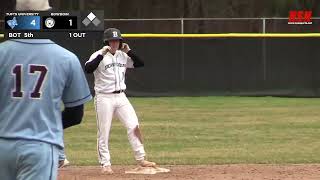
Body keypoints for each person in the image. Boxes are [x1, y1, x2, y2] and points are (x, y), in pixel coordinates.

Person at [0, 1, 92, 179]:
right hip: (40, 147)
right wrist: (47, 124)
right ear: (48, 16)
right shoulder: (67, 58)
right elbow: (75, 115)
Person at [85, 28, 156, 174]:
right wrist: (101, 54)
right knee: (104, 132)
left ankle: (141, 158)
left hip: (121, 97)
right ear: (106, 42)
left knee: (133, 125)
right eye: (112, 40)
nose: (114, 43)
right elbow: (88, 68)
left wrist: (129, 51)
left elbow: (140, 63)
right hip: (104, 97)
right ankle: (105, 164)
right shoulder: (98, 55)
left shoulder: (122, 56)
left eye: (117, 40)